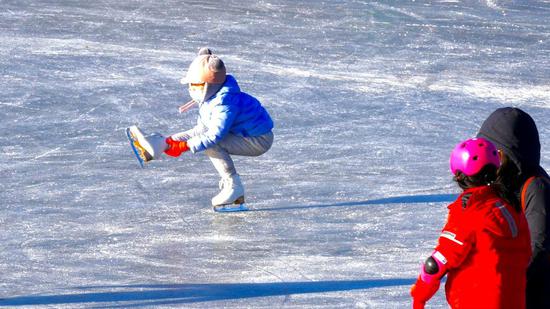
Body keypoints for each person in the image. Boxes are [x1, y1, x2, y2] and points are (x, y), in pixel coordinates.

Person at [129, 47, 274, 211]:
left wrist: (185, 146)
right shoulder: (213, 98)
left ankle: (233, 187)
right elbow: (201, 129)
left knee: (212, 144)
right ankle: (158, 144)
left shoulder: (224, 104)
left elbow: (214, 136)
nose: (192, 89)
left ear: (209, 85)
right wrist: (170, 142)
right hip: (243, 134)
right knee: (202, 137)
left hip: (257, 140)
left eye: (196, 84)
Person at [410, 137, 531, 309]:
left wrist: (419, 297)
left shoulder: (469, 209)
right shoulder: (511, 206)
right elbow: (526, 253)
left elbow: (437, 263)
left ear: (459, 175)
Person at [477, 107, 550, 308]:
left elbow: (539, 244)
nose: (488, 159)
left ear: (513, 154)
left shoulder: (536, 186)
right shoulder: (499, 181)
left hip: (535, 291)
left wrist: (509, 280)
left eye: (494, 153)